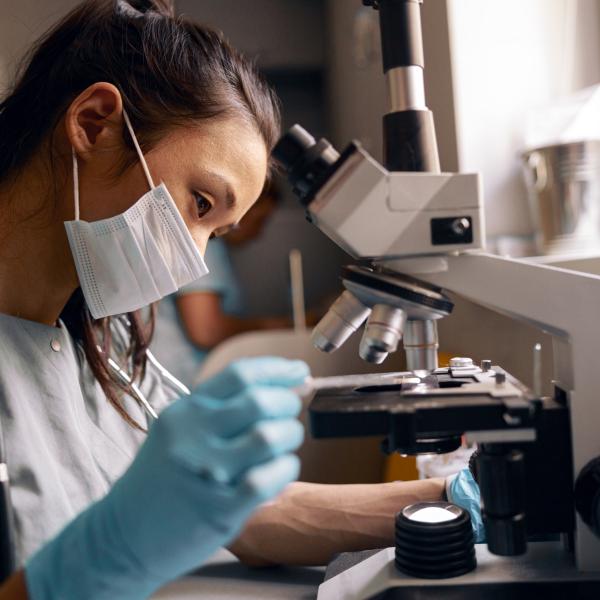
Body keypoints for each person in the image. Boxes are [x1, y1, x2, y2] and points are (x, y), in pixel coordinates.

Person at [0, 1, 480, 598]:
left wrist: (453, 499)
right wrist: (108, 555)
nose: (195, 260)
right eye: (201, 203)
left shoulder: (107, 345)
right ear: (95, 124)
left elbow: (252, 515)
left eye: (217, 233)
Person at [152, 180, 291, 387]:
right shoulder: (206, 244)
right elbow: (206, 330)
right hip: (173, 382)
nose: (259, 233)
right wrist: (282, 326)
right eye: (261, 220)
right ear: (242, 210)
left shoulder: (218, 251)